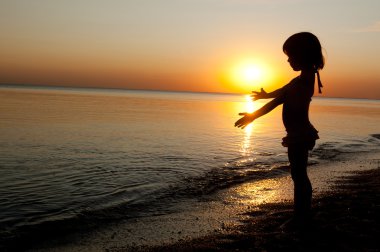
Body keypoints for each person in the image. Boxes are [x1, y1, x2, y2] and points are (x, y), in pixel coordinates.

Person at [234, 32, 324, 225]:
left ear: (304, 55)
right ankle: (302, 213)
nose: (288, 60)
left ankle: (302, 216)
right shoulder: (299, 81)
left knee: (299, 176)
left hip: (299, 135)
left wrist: (253, 116)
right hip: (298, 134)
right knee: (299, 174)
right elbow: (280, 93)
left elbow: (277, 101)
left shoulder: (303, 81)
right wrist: (264, 95)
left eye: (291, 56)